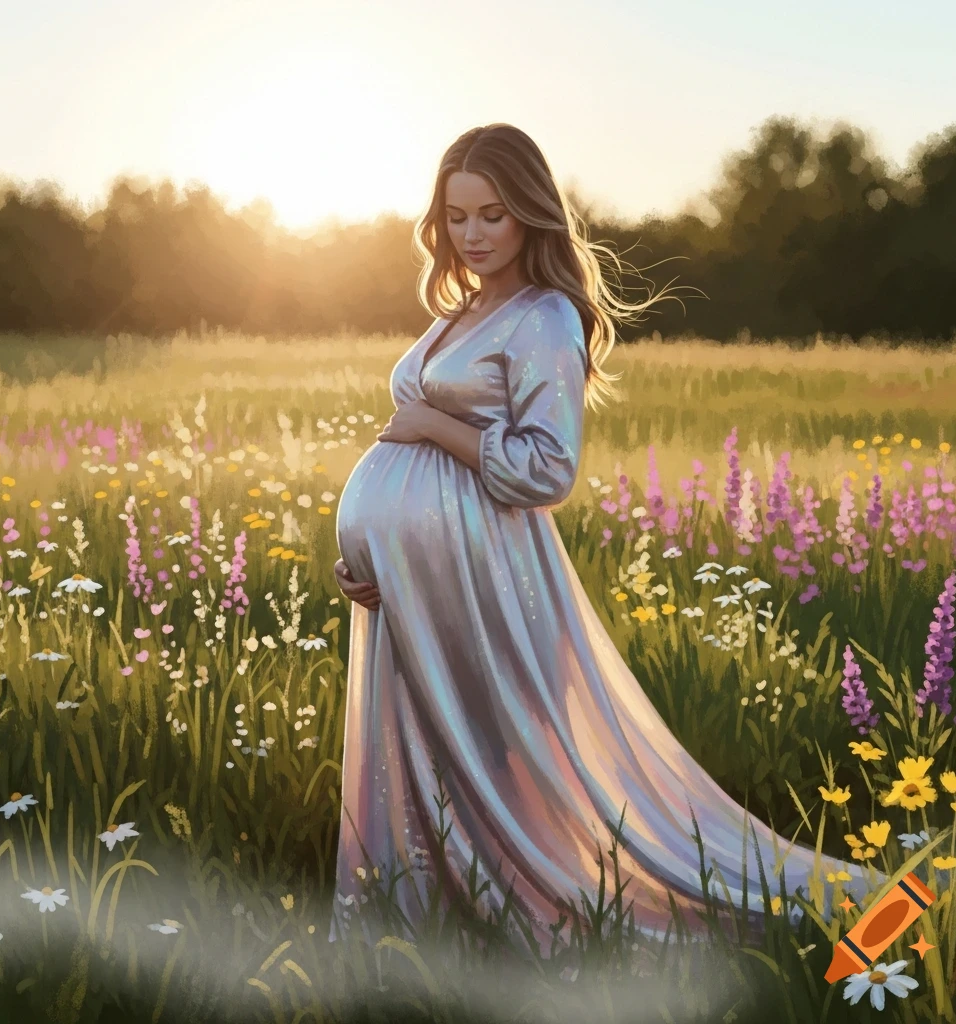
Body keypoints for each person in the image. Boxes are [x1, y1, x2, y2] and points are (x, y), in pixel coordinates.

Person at [327, 123, 881, 960]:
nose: (473, 237)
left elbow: (548, 469)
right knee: (434, 762)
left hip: (489, 588)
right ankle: (442, 932)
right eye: (458, 218)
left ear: (531, 217)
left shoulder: (545, 314)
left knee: (502, 766)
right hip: (420, 593)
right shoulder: (462, 312)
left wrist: (433, 425)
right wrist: (372, 561)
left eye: (493, 217)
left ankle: (537, 923)